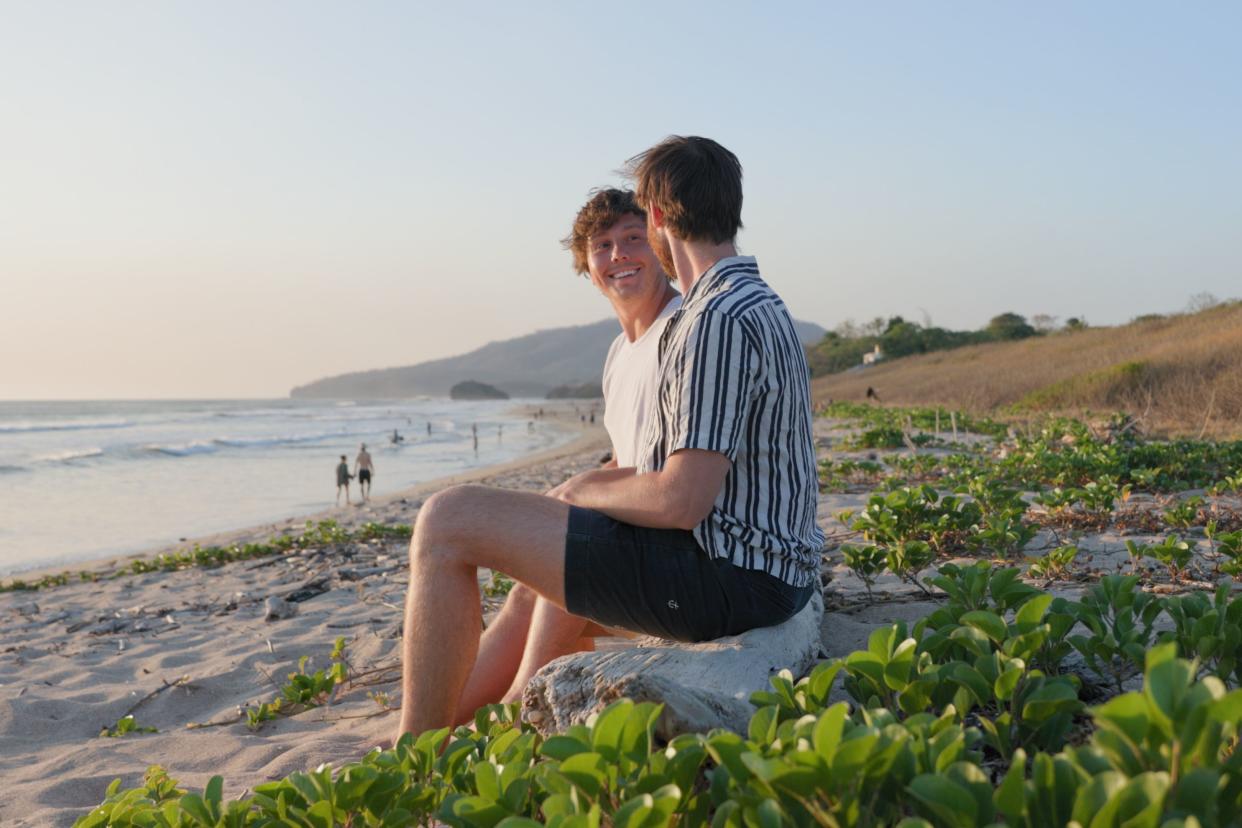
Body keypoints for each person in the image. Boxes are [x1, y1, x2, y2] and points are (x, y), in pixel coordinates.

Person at [394, 138, 822, 741]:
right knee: (516, 553)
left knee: (446, 519)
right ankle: (449, 723)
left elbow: (681, 500)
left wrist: (584, 488)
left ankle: (414, 753)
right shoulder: (744, 303)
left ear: (658, 217)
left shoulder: (714, 321)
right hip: (757, 568)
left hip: (735, 579)